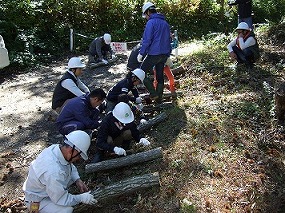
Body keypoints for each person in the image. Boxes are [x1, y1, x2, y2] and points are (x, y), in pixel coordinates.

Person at [23, 130, 97, 213]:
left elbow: (69, 165)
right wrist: (82, 198)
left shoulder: (57, 149)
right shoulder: (53, 172)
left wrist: (77, 180)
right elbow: (62, 199)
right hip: (38, 200)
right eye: (79, 155)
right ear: (71, 151)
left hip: (46, 190)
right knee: (67, 210)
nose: (78, 158)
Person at [138, 2, 172, 103]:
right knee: (160, 75)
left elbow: (147, 40)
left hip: (154, 54)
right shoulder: (165, 23)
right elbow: (169, 39)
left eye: (145, 15)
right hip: (164, 54)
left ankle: (154, 93)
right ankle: (159, 99)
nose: (146, 17)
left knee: (141, 72)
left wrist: (141, 53)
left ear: (148, 12)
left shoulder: (151, 23)